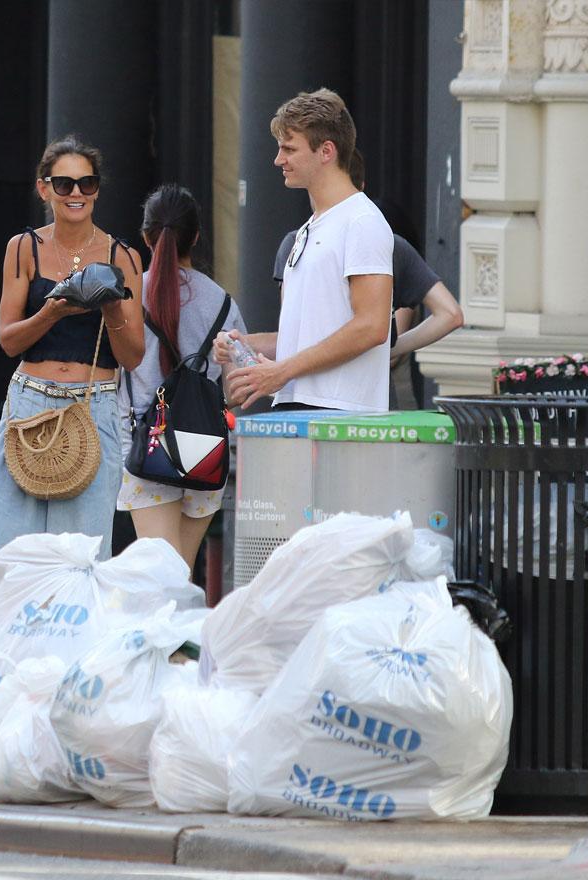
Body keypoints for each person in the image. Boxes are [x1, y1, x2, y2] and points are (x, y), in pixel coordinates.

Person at [0, 135, 145, 615]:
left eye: (87, 182)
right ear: (44, 188)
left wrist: (110, 308)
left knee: (82, 556)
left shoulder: (123, 257)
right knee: (10, 552)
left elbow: (134, 355)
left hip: (94, 405)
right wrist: (53, 312)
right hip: (29, 401)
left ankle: (72, 670)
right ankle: (0, 672)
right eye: (65, 182)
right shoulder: (23, 248)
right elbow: (8, 340)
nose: (77, 192)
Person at [215, 89, 393, 413]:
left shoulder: (362, 221)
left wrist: (282, 371)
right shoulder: (309, 229)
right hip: (299, 407)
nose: (278, 160)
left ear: (326, 151)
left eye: (289, 149)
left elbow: (372, 326)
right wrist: (245, 347)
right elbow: (304, 338)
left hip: (341, 414)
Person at [118, 184, 246, 574]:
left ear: (146, 237)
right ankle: (180, 636)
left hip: (147, 445)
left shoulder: (127, 296)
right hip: (205, 450)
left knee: (162, 573)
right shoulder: (223, 304)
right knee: (180, 570)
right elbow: (237, 391)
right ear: (195, 236)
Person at [271, 150, 463, 408]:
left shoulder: (299, 241)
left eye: (290, 148)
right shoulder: (387, 240)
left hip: (332, 399)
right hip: (359, 398)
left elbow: (300, 336)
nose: (280, 159)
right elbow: (450, 314)